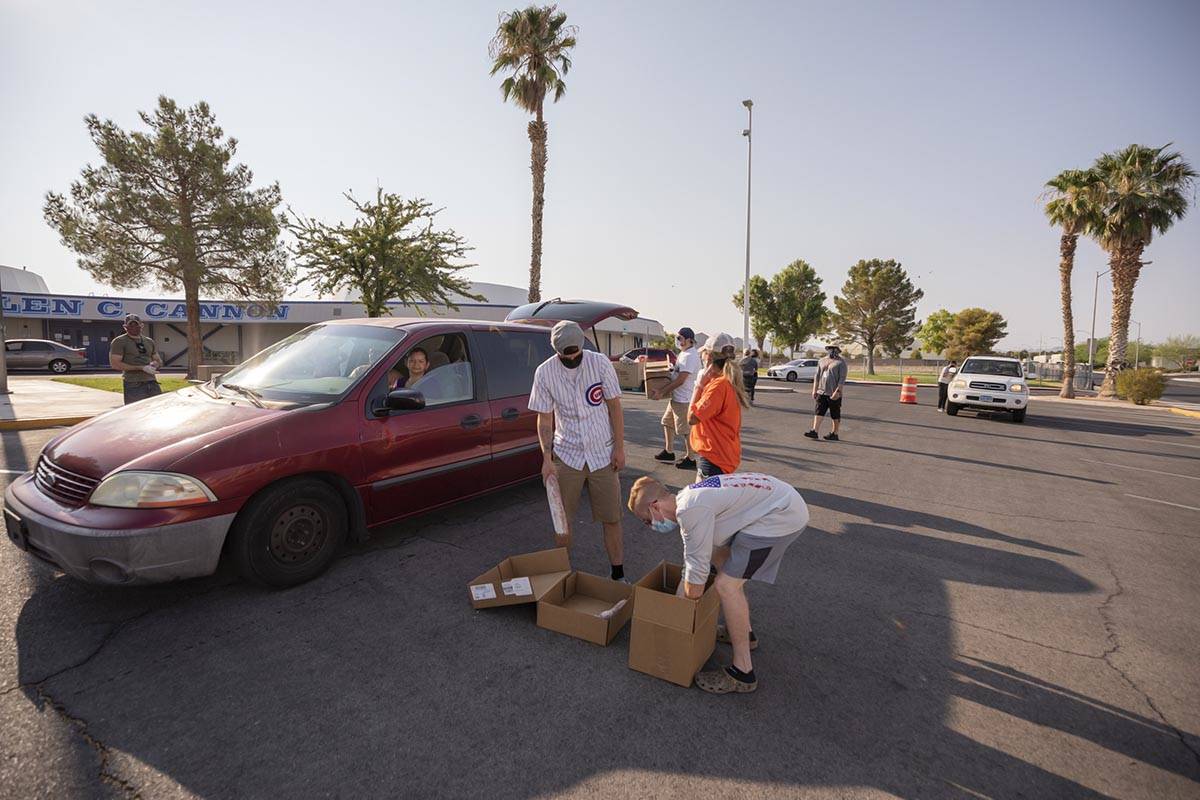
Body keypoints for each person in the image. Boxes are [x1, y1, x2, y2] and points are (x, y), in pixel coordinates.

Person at [627, 472, 809, 694]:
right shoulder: (688, 497)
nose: (649, 526)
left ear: (655, 507)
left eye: (646, 520)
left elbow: (695, 581)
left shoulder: (690, 511)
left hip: (780, 516)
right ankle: (746, 634)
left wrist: (676, 621)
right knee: (722, 559)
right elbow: (699, 558)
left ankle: (743, 671)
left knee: (726, 586)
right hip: (779, 500)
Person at [529, 321, 628, 581]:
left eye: (576, 354)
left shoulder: (600, 363)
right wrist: (547, 460)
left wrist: (619, 448)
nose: (572, 359)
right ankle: (562, 575)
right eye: (566, 356)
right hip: (567, 454)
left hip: (602, 454)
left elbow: (614, 407)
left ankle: (618, 574)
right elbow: (545, 419)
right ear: (556, 350)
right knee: (563, 519)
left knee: (612, 517)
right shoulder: (544, 373)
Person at [689, 333, 751, 480]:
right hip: (722, 456)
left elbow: (692, 418)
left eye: (704, 353)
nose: (702, 357)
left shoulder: (718, 386)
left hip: (714, 459)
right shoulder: (726, 381)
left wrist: (699, 386)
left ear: (709, 357)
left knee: (701, 503)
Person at [651, 327, 701, 471]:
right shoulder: (684, 353)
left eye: (680, 338)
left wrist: (661, 391)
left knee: (685, 430)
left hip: (684, 399)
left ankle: (691, 458)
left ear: (689, 340)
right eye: (677, 338)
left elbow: (681, 380)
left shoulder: (690, 356)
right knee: (667, 422)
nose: (678, 341)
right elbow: (678, 374)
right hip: (677, 397)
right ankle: (669, 451)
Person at [109, 313, 163, 405]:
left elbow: (158, 360)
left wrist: (155, 364)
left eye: (136, 324)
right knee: (135, 413)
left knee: (157, 410)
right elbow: (115, 364)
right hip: (133, 384)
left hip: (151, 382)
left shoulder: (149, 341)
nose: (133, 327)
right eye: (130, 325)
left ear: (141, 325)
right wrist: (141, 368)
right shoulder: (119, 341)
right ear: (125, 327)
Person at [804, 344, 848, 442]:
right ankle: (814, 431)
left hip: (834, 393)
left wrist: (838, 391)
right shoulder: (822, 360)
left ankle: (834, 433)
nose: (832, 351)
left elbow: (842, 379)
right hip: (821, 391)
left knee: (835, 413)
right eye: (830, 349)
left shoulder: (841, 362)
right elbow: (817, 376)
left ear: (838, 350)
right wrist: (814, 390)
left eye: (834, 349)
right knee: (819, 411)